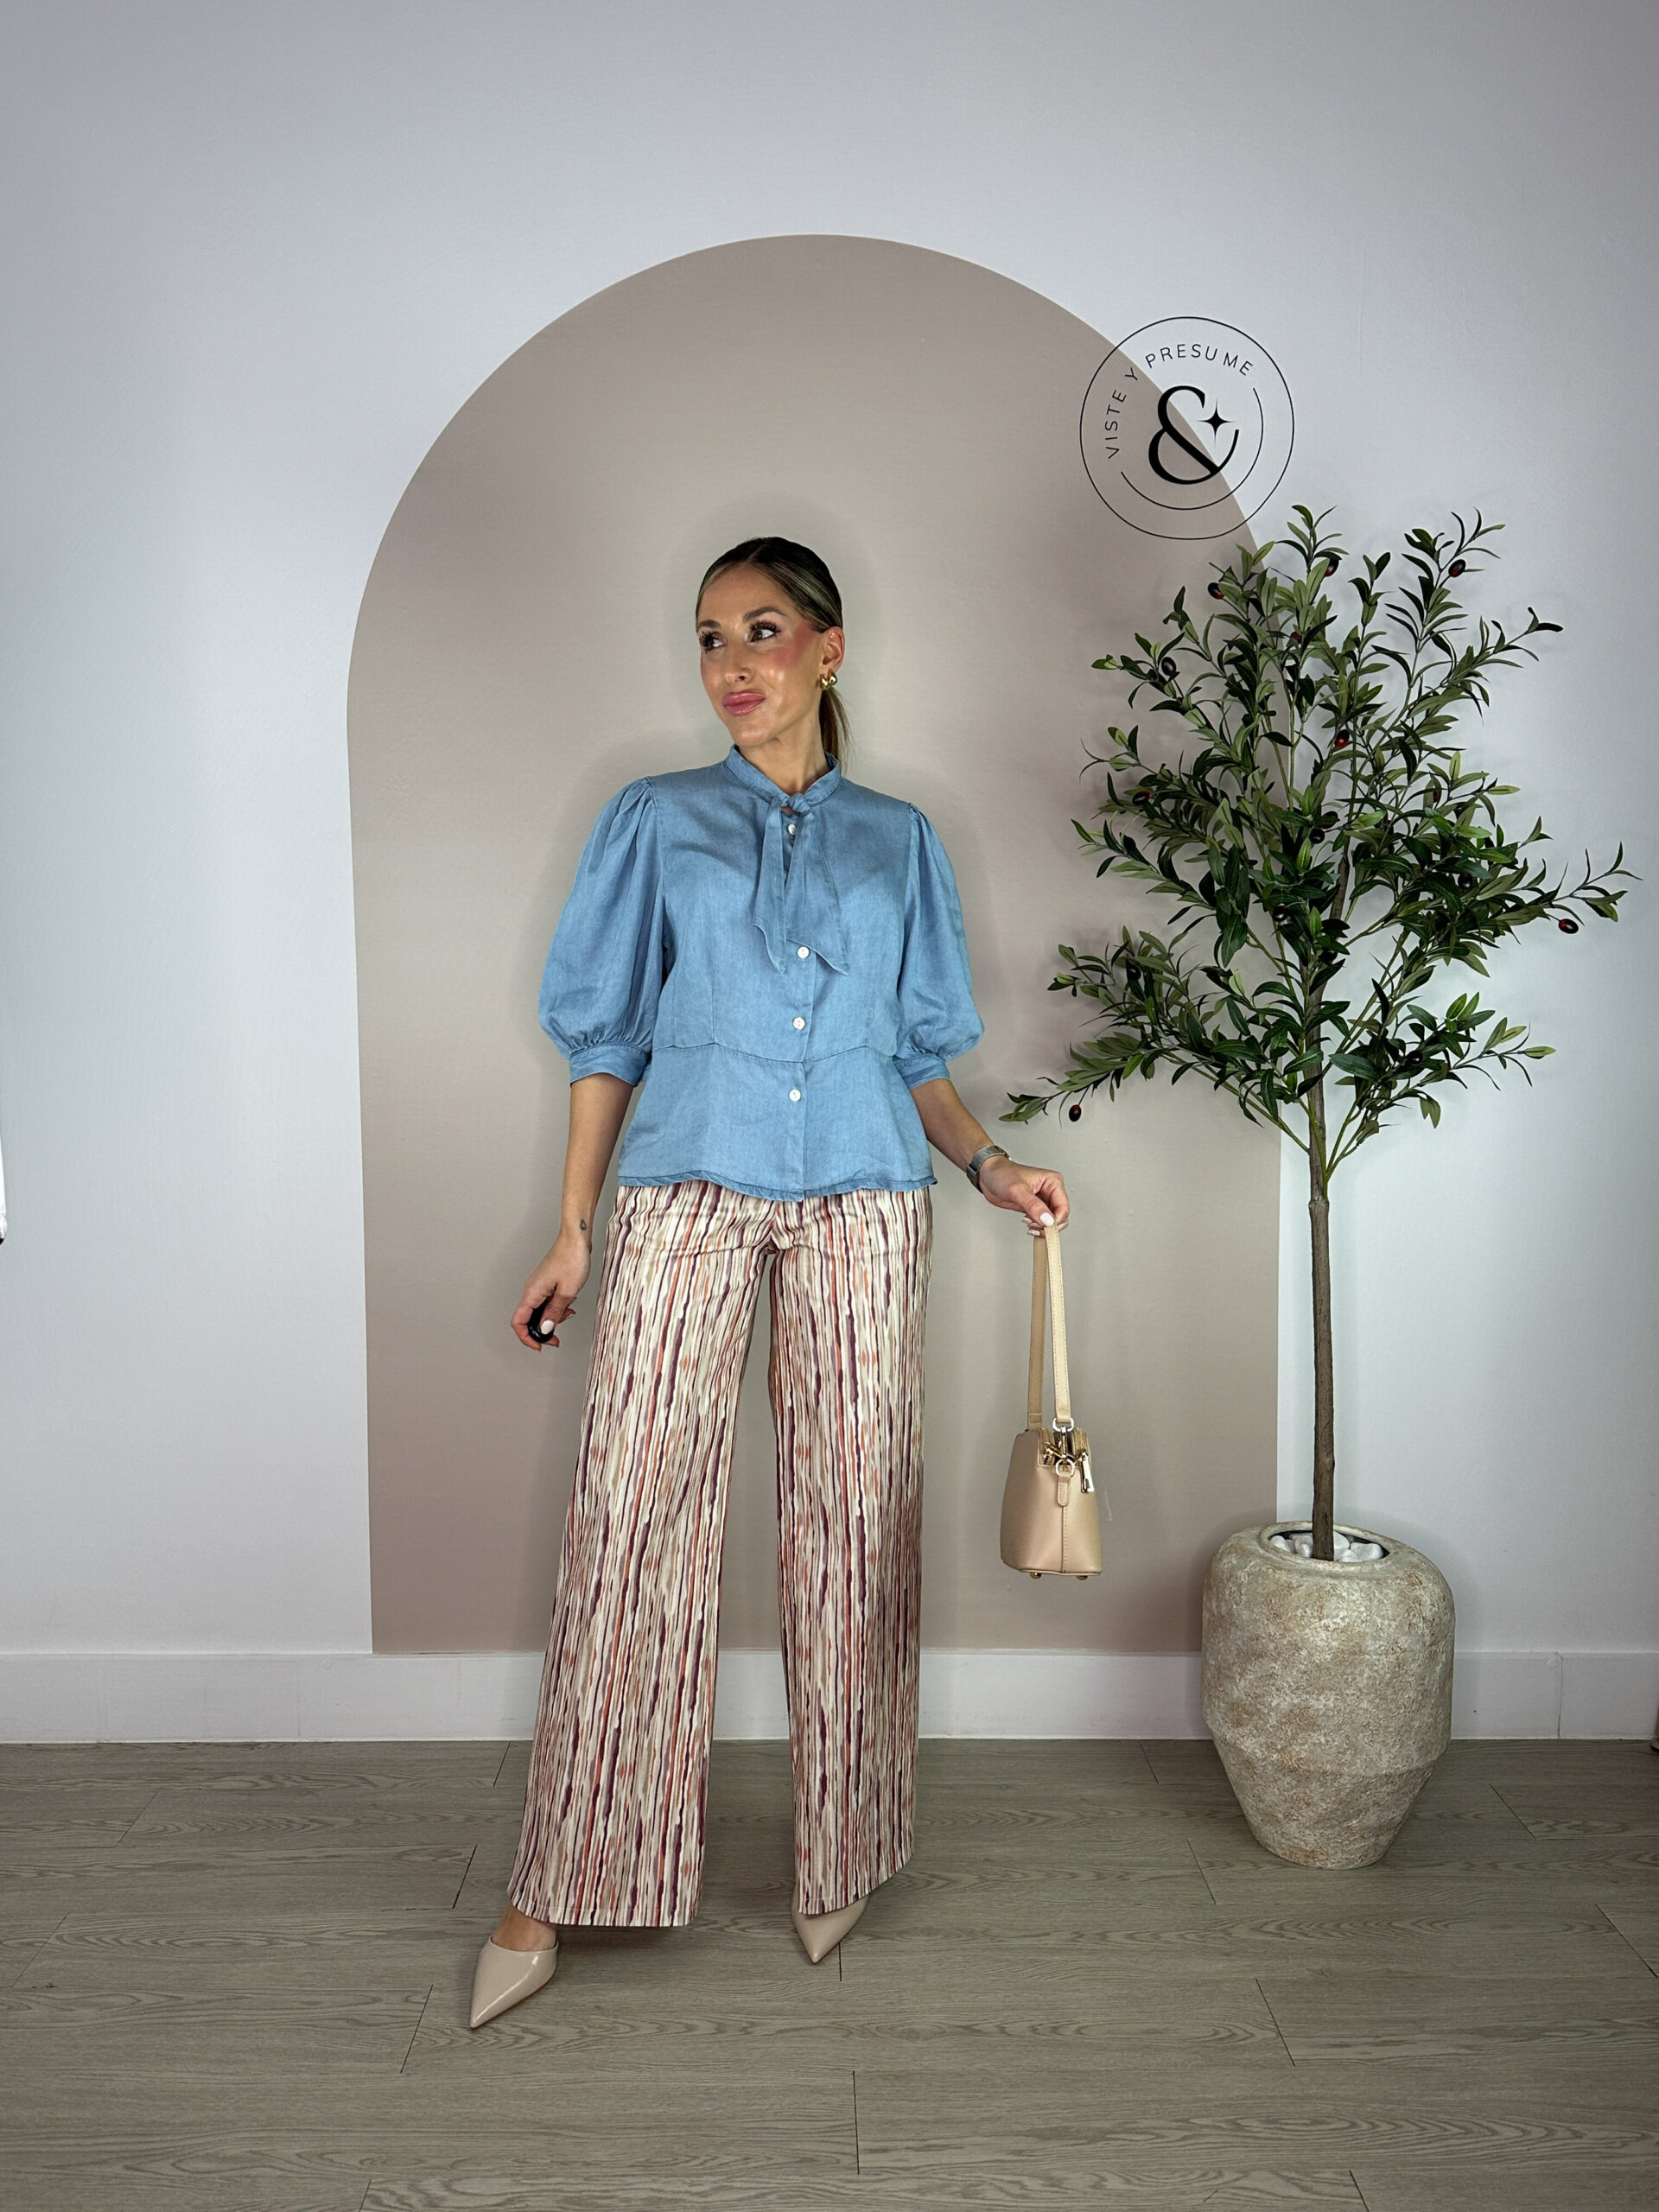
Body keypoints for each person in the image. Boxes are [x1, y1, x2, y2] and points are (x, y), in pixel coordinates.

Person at [470, 537, 1070, 2028]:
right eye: (708, 637)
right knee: (631, 1528)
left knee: (854, 1531)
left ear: (828, 647)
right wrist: (572, 1227)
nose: (731, 664)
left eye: (761, 630)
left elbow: (918, 1055)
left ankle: (842, 1849)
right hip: (685, 1192)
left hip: (867, 1204)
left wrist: (991, 1166)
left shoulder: (900, 842)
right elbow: (606, 1039)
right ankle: (559, 1877)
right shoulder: (654, 820)